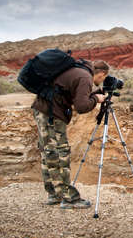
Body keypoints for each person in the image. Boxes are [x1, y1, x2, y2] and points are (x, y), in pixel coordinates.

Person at [31, 59, 109, 209]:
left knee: (48, 151)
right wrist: (96, 99)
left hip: (42, 111)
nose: (102, 81)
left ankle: (54, 193)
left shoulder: (77, 71)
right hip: (51, 115)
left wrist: (91, 95)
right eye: (104, 78)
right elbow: (81, 107)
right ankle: (69, 198)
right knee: (60, 153)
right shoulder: (85, 77)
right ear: (102, 73)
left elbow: (71, 95)